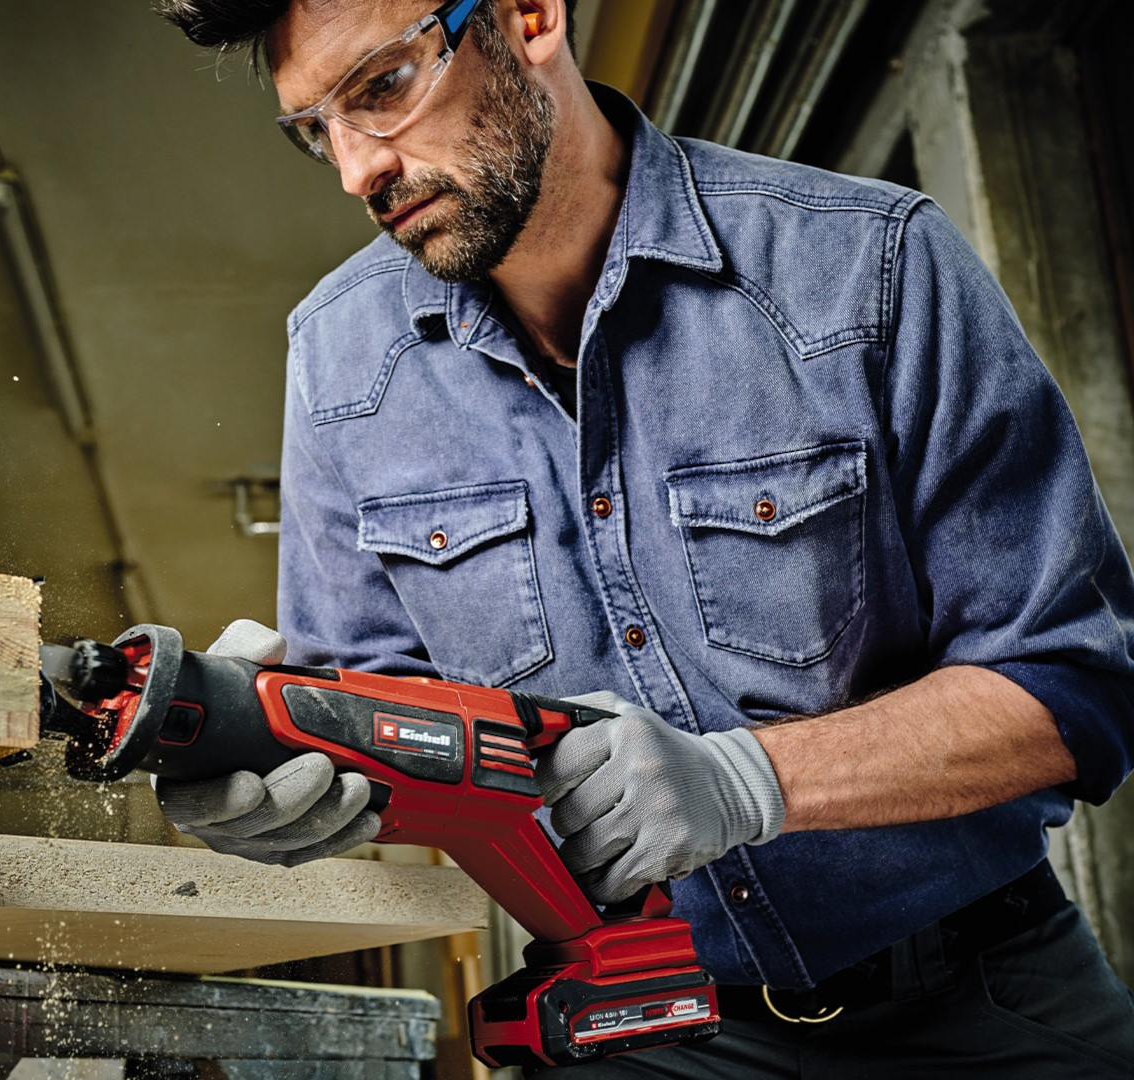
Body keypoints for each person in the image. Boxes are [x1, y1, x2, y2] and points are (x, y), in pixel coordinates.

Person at [152, 0, 1134, 1074]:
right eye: (315, 128)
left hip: (987, 1004)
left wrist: (751, 781)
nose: (355, 169)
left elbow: (1072, 684)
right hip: (644, 1023)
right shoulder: (340, 367)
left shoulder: (871, 266)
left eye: (382, 88)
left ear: (529, 17)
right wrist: (288, 769)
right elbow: (381, 710)